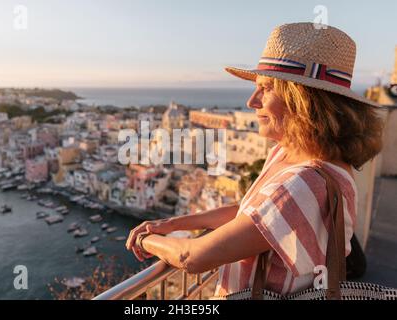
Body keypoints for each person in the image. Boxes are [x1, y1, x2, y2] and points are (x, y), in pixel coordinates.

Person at [125, 22, 383, 296]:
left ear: (304, 101)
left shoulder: (305, 181)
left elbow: (193, 257)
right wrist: (175, 224)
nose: (252, 101)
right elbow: (255, 213)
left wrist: (145, 240)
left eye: (266, 88)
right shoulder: (294, 155)